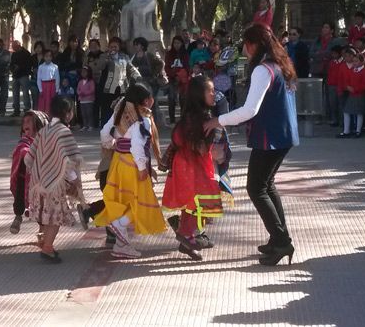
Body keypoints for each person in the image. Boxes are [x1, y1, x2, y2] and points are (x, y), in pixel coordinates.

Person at [204, 23, 299, 266]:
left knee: (256, 187)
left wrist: (218, 120)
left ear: (254, 44)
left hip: (271, 135)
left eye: (246, 45)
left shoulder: (262, 69)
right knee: (266, 185)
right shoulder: (280, 63)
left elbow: (249, 110)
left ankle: (281, 241)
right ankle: (280, 237)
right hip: (284, 134)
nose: (245, 51)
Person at [93, 82, 165, 259]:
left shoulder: (120, 112)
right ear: (146, 101)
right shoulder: (143, 119)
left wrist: (111, 144)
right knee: (140, 201)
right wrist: (142, 167)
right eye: (149, 99)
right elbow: (138, 146)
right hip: (132, 164)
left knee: (124, 201)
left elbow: (104, 132)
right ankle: (119, 224)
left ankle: (121, 245)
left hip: (118, 162)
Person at [161, 76, 225, 261]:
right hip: (191, 166)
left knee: (196, 201)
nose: (214, 94)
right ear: (199, 95)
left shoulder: (195, 116)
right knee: (196, 200)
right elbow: (198, 146)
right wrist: (216, 131)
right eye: (210, 91)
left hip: (191, 164)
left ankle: (186, 238)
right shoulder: (198, 119)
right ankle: (186, 233)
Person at [24, 96, 85, 263]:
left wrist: (39, 171)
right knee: (54, 218)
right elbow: (70, 161)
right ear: (67, 113)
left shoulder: (44, 131)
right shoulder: (64, 132)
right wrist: (74, 183)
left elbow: (29, 158)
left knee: (45, 215)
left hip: (38, 183)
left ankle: (44, 241)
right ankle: (47, 249)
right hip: (54, 185)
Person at [9, 110, 49, 234]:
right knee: (19, 199)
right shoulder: (24, 141)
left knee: (40, 204)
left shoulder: (44, 142)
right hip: (22, 177)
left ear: (38, 125)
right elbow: (23, 150)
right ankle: (18, 216)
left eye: (29, 121)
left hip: (38, 180)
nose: (25, 124)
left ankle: (42, 229)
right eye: (24, 122)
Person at [99, 37, 141, 125]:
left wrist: (137, 76)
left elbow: (130, 68)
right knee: (108, 107)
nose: (113, 49)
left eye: (115, 47)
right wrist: (107, 58)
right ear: (108, 47)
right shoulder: (104, 56)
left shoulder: (124, 56)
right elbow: (101, 67)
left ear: (119, 47)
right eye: (111, 47)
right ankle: (107, 125)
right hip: (108, 87)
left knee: (122, 106)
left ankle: (121, 124)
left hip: (121, 86)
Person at [337, 48, 365, 138]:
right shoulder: (353, 70)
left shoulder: (364, 72)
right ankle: (346, 130)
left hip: (359, 94)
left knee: (359, 113)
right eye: (354, 61)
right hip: (352, 94)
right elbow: (347, 80)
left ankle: (358, 130)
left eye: (356, 61)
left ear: (361, 62)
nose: (354, 63)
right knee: (347, 112)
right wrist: (347, 86)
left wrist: (355, 89)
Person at [165, 36, 189, 123]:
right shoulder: (169, 54)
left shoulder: (185, 54)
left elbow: (187, 66)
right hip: (172, 79)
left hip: (183, 80)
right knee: (171, 98)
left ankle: (183, 119)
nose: (176, 45)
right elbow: (167, 67)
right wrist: (173, 75)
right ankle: (172, 119)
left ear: (182, 44)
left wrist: (181, 75)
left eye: (178, 43)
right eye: (175, 43)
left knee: (183, 99)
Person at [85, 39, 107, 127]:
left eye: (95, 45)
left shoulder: (103, 55)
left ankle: (103, 122)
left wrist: (93, 65)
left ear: (99, 46)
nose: (93, 47)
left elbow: (101, 66)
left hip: (101, 81)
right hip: (90, 82)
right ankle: (94, 123)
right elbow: (85, 67)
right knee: (92, 103)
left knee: (101, 102)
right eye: (91, 45)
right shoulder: (87, 57)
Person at [10, 40, 34, 117]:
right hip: (15, 75)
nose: (13, 48)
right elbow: (11, 64)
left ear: (19, 45)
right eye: (13, 47)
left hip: (24, 75)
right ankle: (16, 109)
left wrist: (20, 67)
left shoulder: (26, 53)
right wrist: (13, 69)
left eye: (15, 47)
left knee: (25, 93)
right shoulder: (14, 54)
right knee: (15, 93)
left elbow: (29, 65)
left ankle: (27, 109)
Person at [325, 45, 345, 127]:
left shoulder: (343, 62)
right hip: (332, 85)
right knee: (333, 104)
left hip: (340, 85)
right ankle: (334, 120)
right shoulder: (331, 62)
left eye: (335, 53)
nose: (333, 55)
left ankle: (342, 121)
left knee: (341, 104)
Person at [77, 66, 96, 131]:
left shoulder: (91, 81)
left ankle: (90, 125)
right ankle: (85, 125)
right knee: (83, 113)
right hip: (82, 100)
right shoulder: (80, 81)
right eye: (82, 72)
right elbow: (78, 89)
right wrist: (80, 93)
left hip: (89, 100)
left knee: (89, 113)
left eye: (85, 72)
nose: (83, 73)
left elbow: (92, 90)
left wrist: (85, 93)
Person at [29, 41, 45, 110]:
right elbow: (28, 68)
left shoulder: (45, 57)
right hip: (34, 80)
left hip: (43, 81)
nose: (38, 49)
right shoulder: (32, 57)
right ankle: (35, 114)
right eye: (36, 47)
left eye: (40, 47)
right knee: (34, 98)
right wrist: (32, 71)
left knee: (42, 98)